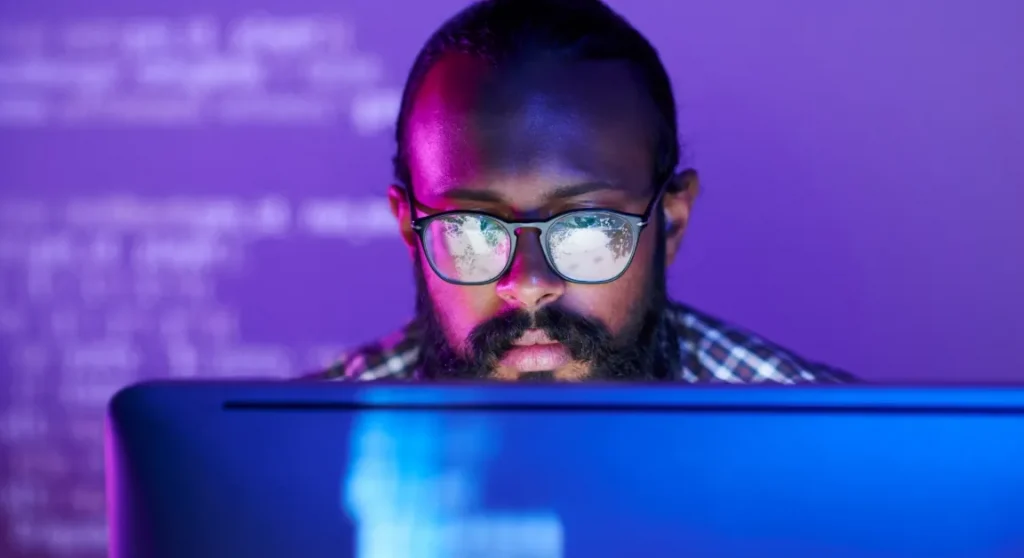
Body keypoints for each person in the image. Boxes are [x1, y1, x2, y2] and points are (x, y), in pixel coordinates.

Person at [315, 0, 855, 383]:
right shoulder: (293, 455)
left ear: (671, 222)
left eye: (587, 228)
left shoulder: (837, 452)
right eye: (473, 231)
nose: (528, 287)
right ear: (410, 228)